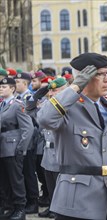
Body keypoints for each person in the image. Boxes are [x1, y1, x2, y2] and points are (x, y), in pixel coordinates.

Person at [37, 52, 107, 220]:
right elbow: (45, 118)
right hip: (77, 200)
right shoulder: (67, 107)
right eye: (100, 75)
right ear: (84, 78)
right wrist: (75, 87)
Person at [26, 77, 68, 218]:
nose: (51, 94)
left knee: (62, 193)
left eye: (55, 90)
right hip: (48, 155)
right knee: (51, 189)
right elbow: (30, 111)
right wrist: (39, 93)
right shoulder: (47, 106)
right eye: (50, 91)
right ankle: (53, 209)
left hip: (62, 154)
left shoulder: (70, 106)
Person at [0, 77, 34, 220]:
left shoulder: (17, 104)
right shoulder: (2, 105)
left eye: (4, 87)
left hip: (13, 148)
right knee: (4, 180)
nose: (1, 89)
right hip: (2, 148)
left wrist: (21, 149)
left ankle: (20, 209)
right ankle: (9, 207)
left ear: (12, 89)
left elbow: (28, 128)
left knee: (16, 180)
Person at [14, 72, 41, 214]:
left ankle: (33, 201)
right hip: (20, 139)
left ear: (25, 83)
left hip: (29, 139)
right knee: (22, 171)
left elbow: (31, 120)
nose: (15, 84)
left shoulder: (29, 97)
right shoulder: (16, 98)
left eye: (18, 82)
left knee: (29, 171)